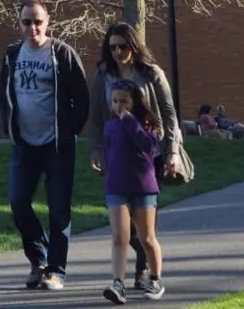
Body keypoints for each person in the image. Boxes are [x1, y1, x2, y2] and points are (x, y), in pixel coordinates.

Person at [0, 0, 91, 291]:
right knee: (18, 201)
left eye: (38, 21)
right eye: (27, 22)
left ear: (47, 21)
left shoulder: (62, 53)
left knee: (58, 209)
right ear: (19, 23)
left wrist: (69, 131)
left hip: (56, 145)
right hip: (24, 145)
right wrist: (9, 128)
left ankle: (56, 270)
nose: (33, 28)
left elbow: (81, 97)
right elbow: (4, 94)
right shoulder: (12, 55)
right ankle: (38, 260)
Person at [88, 23, 182, 293]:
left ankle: (146, 273)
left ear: (133, 46)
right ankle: (123, 278)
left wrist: (173, 151)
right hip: (117, 155)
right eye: (112, 47)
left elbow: (168, 113)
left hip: (149, 155)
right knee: (123, 228)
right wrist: (97, 149)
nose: (117, 52)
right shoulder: (104, 74)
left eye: (123, 46)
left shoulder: (151, 73)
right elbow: (97, 115)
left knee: (146, 228)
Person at [101, 80, 167, 304]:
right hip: (116, 187)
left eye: (124, 101)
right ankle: (118, 283)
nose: (119, 106)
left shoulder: (147, 125)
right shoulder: (109, 126)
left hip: (143, 187)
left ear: (135, 102)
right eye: (115, 101)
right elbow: (109, 152)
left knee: (147, 238)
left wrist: (131, 122)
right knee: (119, 237)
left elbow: (148, 146)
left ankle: (155, 279)